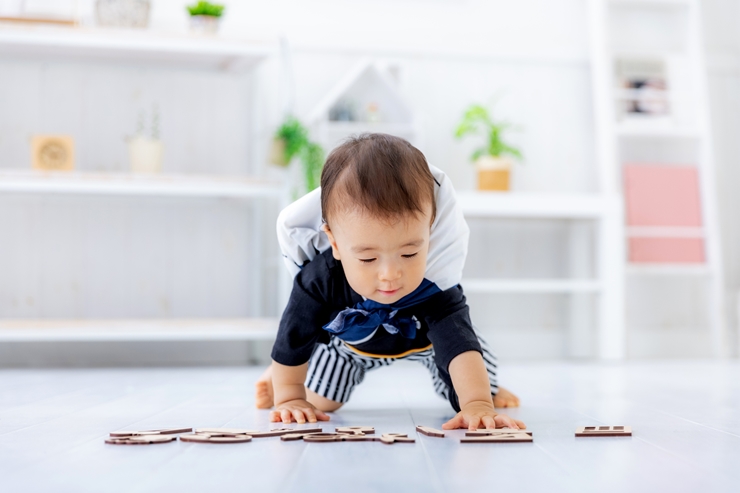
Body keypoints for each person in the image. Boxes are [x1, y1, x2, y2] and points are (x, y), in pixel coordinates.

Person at [255, 133, 524, 431]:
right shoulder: (320, 279)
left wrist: (477, 404)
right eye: (368, 259)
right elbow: (294, 334)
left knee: (477, 375)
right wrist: (290, 395)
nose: (390, 274)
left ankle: (491, 393)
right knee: (318, 401)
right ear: (334, 243)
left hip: (428, 344)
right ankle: (277, 376)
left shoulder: (435, 282)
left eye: (409, 253)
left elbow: (458, 346)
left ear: (429, 236)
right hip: (350, 346)